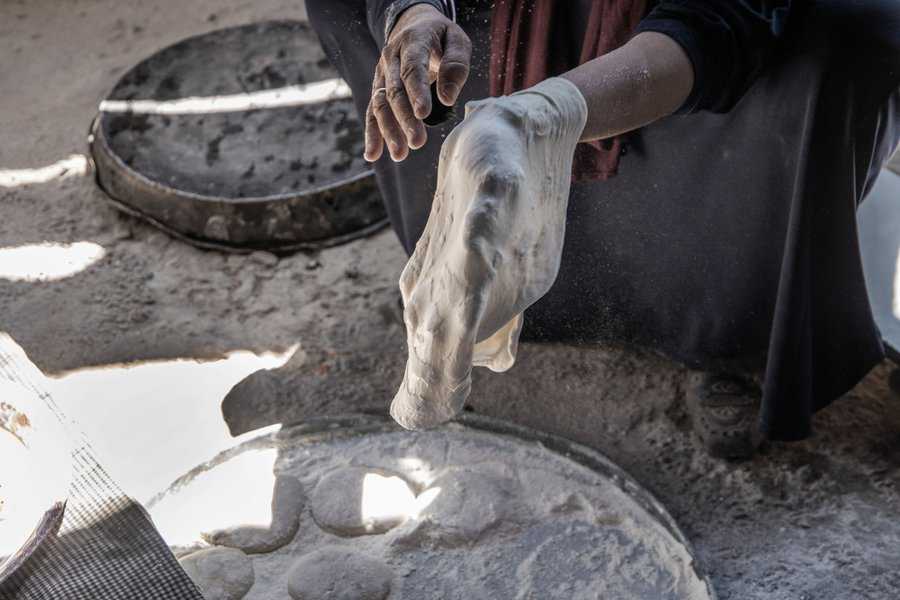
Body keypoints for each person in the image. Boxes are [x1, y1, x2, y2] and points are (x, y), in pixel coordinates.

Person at [307, 0, 900, 458]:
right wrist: (414, 11)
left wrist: (544, 114)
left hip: (694, 34)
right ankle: (488, 297)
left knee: (845, 40)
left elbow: (717, 22)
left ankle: (723, 338)